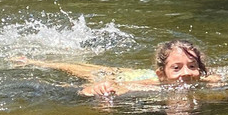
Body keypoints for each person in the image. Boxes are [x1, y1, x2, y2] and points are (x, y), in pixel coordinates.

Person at [14, 39, 216, 97]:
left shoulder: (202, 80)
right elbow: (118, 86)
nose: (187, 73)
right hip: (126, 77)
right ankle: (36, 62)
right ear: (162, 74)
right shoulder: (155, 86)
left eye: (192, 66)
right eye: (177, 68)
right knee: (86, 70)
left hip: (137, 75)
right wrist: (98, 88)